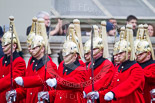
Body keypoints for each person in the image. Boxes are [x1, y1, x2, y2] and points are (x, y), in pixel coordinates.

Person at [87, 24, 145, 103]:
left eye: (120, 53)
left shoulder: (136, 69)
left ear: (128, 53)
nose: (117, 56)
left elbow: (129, 85)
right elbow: (111, 87)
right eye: (116, 54)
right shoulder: (118, 68)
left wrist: (114, 93)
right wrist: (99, 94)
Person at [83, 25, 115, 103]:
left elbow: (101, 82)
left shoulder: (107, 64)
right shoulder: (91, 63)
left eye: (94, 49)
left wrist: (86, 91)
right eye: (91, 49)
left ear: (101, 50)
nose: (92, 51)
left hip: (101, 97)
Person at [0, 17, 26, 103]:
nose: (3, 46)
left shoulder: (19, 61)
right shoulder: (2, 60)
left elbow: (11, 79)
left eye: (6, 44)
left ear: (14, 46)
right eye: (2, 44)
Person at [135, 24, 155, 103]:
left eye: (141, 54)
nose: (137, 56)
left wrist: (138, 71)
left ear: (149, 54)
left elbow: (152, 77)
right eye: (136, 54)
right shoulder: (135, 64)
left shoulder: (153, 65)